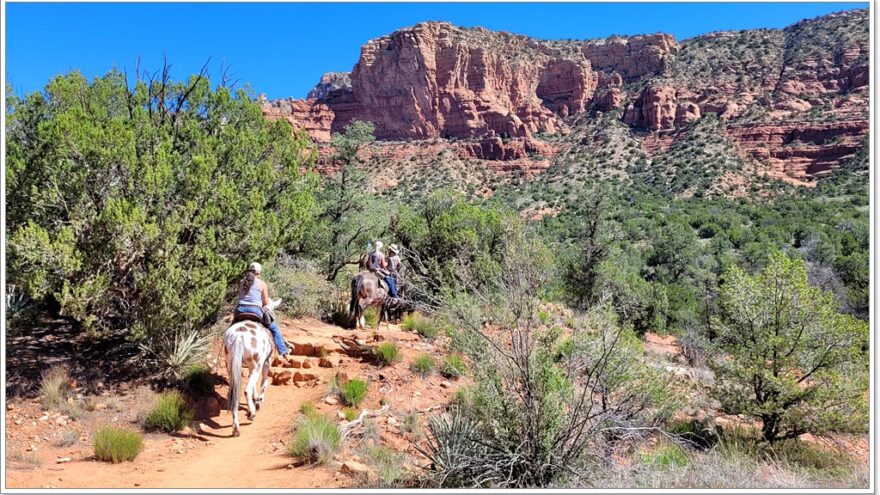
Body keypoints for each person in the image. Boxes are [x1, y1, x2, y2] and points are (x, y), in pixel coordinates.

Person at [234, 262, 289, 355]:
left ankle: (224, 348)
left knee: (232, 328)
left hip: (240, 311)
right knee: (274, 328)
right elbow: (266, 302)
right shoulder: (262, 284)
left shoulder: (241, 282)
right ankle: (283, 351)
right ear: (259, 273)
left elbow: (240, 296)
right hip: (256, 311)